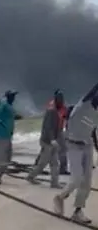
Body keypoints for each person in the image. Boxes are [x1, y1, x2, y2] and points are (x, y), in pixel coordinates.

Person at [53, 82, 98, 224]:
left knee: (87, 182)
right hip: (73, 146)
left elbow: (92, 130)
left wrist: (97, 147)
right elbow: (93, 91)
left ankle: (78, 211)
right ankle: (60, 197)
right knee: (77, 178)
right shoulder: (81, 107)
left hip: (87, 145)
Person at [25, 90, 62, 188]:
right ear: (56, 100)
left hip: (51, 142)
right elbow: (49, 127)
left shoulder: (55, 111)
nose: (62, 102)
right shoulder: (51, 111)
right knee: (43, 163)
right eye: (60, 100)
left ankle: (54, 183)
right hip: (47, 142)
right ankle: (30, 176)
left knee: (55, 163)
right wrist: (52, 140)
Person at [0, 90, 22, 185]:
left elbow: (10, 117)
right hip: (1, 135)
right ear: (8, 96)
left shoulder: (10, 106)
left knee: (7, 158)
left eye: (14, 96)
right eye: (12, 96)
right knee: (0, 158)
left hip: (8, 135)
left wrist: (17, 117)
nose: (13, 97)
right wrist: (1, 125)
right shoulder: (3, 105)